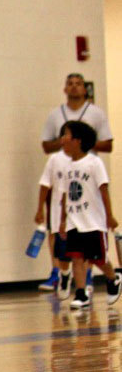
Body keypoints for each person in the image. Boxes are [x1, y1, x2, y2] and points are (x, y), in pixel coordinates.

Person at [38, 73, 112, 291]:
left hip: (88, 181)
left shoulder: (96, 113)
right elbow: (45, 146)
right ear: (64, 89)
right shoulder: (55, 116)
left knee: (92, 244)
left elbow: (108, 145)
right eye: (70, 83)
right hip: (67, 177)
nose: (74, 87)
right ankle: (69, 280)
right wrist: (65, 144)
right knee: (67, 236)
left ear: (85, 89)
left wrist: (84, 142)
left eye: (78, 83)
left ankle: (102, 276)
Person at [57, 121, 122, 309]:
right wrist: (62, 221)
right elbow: (64, 197)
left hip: (94, 222)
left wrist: (109, 216)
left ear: (77, 140)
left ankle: (113, 278)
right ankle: (80, 294)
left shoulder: (94, 163)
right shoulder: (66, 167)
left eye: (66, 135)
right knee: (76, 257)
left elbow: (104, 190)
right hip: (74, 221)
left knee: (98, 259)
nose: (62, 139)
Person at [34, 123, 74, 300]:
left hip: (80, 213)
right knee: (61, 250)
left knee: (82, 250)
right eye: (63, 135)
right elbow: (45, 184)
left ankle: (83, 286)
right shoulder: (54, 159)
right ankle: (62, 275)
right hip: (59, 213)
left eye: (69, 135)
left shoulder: (86, 160)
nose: (64, 139)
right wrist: (40, 209)